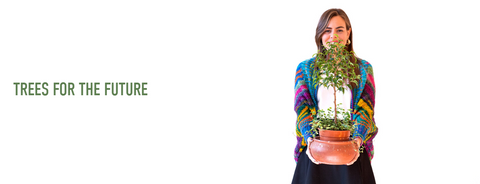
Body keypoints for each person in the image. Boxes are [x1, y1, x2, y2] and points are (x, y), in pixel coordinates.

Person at [292, 8, 378, 184]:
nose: (333, 36)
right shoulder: (306, 69)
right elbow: (303, 110)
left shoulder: (363, 69)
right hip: (314, 151)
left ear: (348, 33)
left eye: (339, 30)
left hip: (352, 150)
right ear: (320, 35)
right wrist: (310, 140)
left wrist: (357, 141)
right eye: (327, 30)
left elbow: (365, 110)